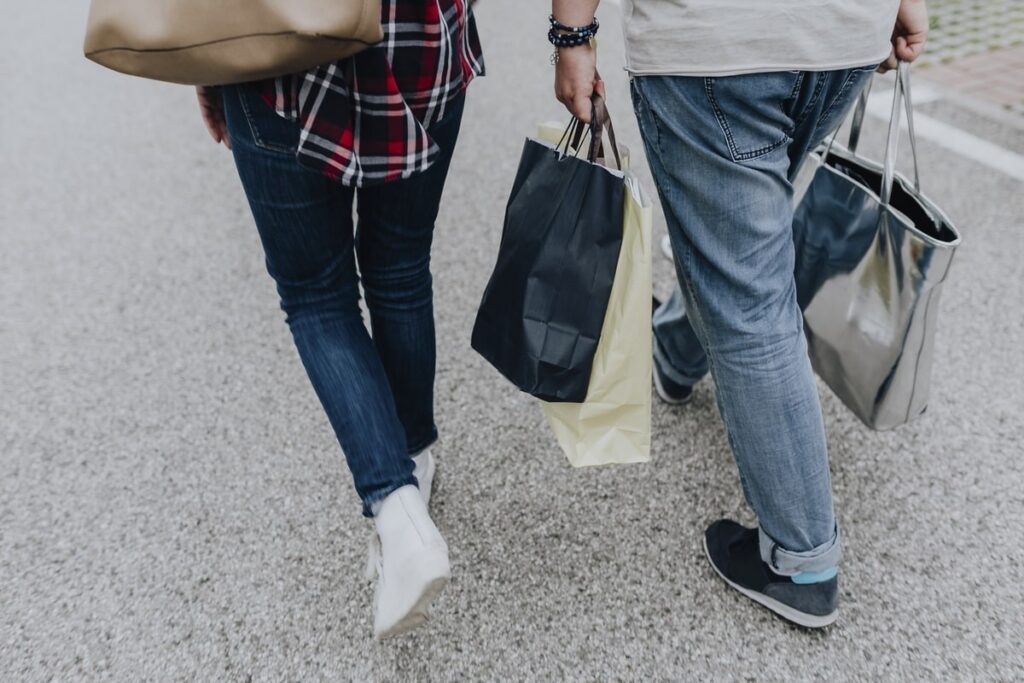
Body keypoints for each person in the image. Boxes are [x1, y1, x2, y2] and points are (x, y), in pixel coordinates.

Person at [551, 0, 928, 627]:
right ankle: (677, 350)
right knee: (733, 240)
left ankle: (802, 560)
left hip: (714, 44)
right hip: (845, 33)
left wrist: (572, 36)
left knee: (747, 297)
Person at [195, 1, 484, 639]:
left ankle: (397, 508)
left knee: (317, 296)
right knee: (400, 266)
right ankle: (414, 464)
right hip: (423, 47)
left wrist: (209, 64)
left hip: (283, 58)